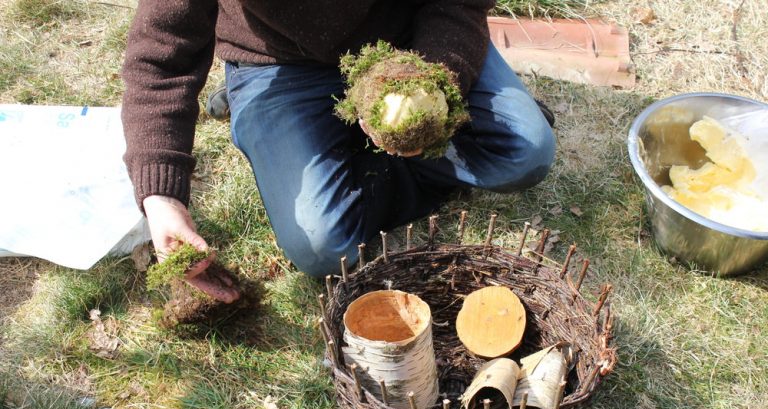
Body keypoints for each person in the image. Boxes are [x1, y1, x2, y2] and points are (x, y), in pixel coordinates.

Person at [121, 1, 556, 301]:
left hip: (404, 42)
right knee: (323, 247)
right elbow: (163, 54)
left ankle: (355, 151)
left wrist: (438, 84)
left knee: (524, 153)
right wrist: (162, 197)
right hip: (277, 63)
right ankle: (289, 126)